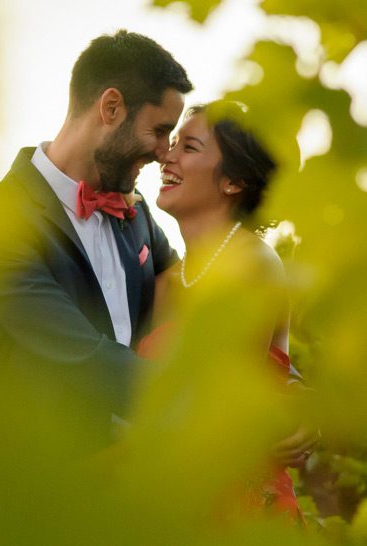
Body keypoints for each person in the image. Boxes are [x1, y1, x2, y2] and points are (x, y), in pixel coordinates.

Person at [0, 30, 193, 421]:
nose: (163, 152)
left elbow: (190, 285)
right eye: (159, 131)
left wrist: (280, 380)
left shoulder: (136, 214)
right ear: (112, 108)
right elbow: (80, 355)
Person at [138, 101, 318, 520]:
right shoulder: (166, 282)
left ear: (233, 182)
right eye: (173, 144)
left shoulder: (254, 264)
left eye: (190, 147)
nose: (167, 155)